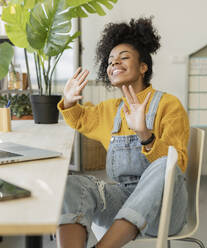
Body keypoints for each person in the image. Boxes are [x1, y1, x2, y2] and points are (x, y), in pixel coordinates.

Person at [56, 17, 189, 248]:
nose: (114, 63)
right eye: (110, 61)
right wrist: (68, 101)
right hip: (123, 202)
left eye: (124, 57)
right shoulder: (110, 110)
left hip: (165, 210)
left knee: (165, 163)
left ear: (143, 67)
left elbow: (178, 165)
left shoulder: (170, 104)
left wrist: (145, 135)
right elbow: (80, 119)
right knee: (71, 185)